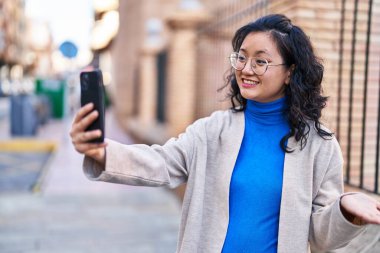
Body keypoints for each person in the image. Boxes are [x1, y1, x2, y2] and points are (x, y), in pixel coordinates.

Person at [70, 14, 380, 253]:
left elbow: (322, 236)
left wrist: (343, 211)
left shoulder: (319, 145)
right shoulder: (212, 130)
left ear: (290, 72)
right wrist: (103, 152)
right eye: (241, 57)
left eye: (261, 61)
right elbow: (163, 162)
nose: (246, 68)